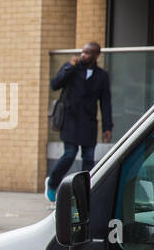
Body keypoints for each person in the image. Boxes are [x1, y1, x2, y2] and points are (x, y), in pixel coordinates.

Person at [46, 41, 112, 202]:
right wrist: (69, 67)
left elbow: (105, 103)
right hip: (70, 121)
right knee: (69, 154)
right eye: (83, 52)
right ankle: (53, 183)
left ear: (96, 55)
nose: (83, 55)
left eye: (88, 53)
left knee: (88, 159)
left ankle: (82, 194)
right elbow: (55, 84)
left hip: (89, 123)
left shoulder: (102, 76)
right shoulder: (72, 69)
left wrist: (107, 127)